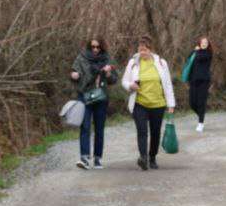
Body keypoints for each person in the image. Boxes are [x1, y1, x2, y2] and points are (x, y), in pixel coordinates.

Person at [120, 36, 175, 171]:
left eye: (144, 50)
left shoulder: (161, 63)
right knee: (142, 131)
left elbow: (167, 84)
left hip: (158, 104)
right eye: (140, 49)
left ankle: (152, 157)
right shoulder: (133, 62)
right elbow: (124, 81)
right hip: (139, 103)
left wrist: (171, 104)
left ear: (150, 49)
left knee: (155, 132)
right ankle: (143, 157)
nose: (142, 52)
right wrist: (130, 86)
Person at [69, 37, 115, 169]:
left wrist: (108, 74)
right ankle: (84, 157)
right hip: (84, 96)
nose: (95, 49)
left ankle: (97, 158)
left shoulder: (107, 60)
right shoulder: (81, 58)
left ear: (102, 47)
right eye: (92, 47)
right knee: (85, 127)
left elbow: (113, 80)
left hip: (101, 98)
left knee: (99, 129)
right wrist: (73, 75)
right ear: (89, 47)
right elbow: (73, 73)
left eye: (98, 47)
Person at [186, 37, 213, 132]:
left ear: (208, 44)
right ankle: (201, 115)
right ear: (199, 43)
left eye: (206, 42)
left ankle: (200, 123)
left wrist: (196, 51)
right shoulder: (195, 52)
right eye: (202, 42)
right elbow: (189, 58)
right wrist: (194, 51)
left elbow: (200, 58)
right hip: (193, 81)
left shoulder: (208, 53)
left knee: (201, 102)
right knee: (192, 103)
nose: (204, 44)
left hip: (204, 81)